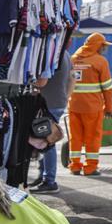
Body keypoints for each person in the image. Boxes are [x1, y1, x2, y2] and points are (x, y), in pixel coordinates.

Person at [68, 32, 112, 176]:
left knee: (75, 137)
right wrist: (109, 108)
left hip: (74, 106)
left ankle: (75, 166)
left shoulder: (73, 59)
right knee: (92, 137)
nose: (104, 49)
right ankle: (90, 167)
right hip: (92, 107)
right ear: (97, 46)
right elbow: (107, 88)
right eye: (103, 46)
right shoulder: (100, 61)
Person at [30, 49, 75, 194]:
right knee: (44, 137)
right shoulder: (66, 54)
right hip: (57, 101)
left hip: (49, 103)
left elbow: (42, 82)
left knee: (47, 142)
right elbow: (72, 78)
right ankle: (43, 176)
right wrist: (65, 97)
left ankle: (49, 181)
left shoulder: (50, 51)